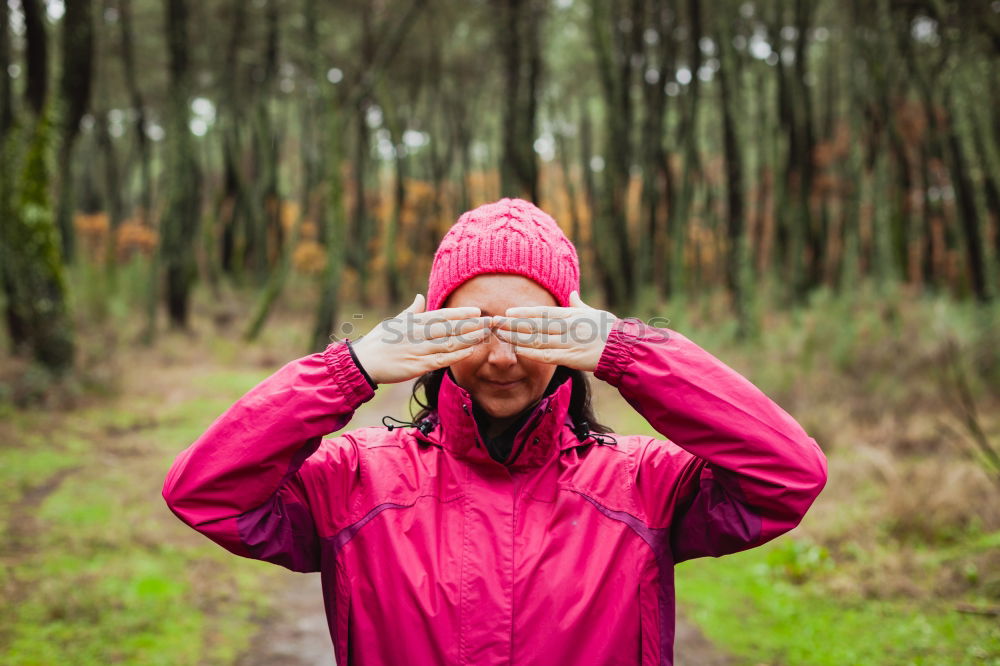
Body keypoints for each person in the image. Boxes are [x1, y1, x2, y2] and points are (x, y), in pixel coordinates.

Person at [162, 197, 828, 666]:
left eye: (531, 328)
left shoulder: (642, 484)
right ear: (434, 331)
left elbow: (787, 477)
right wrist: (350, 370)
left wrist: (631, 352)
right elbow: (206, 493)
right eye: (474, 326)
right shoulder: (355, 481)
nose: (502, 357)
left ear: (573, 336)